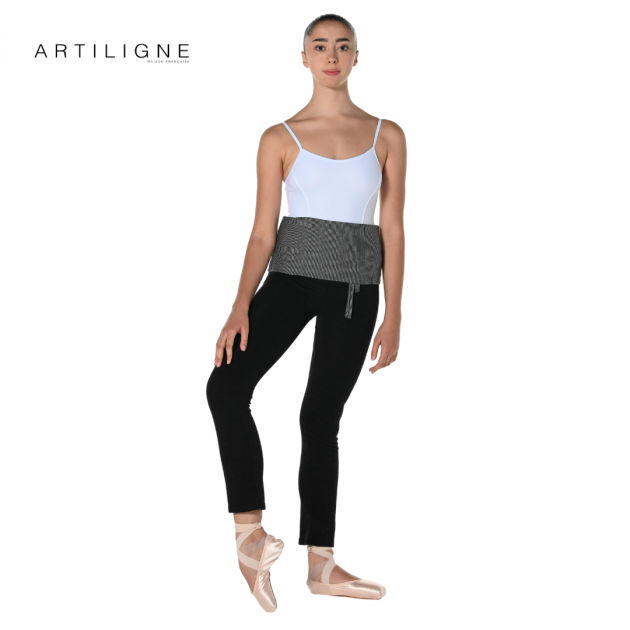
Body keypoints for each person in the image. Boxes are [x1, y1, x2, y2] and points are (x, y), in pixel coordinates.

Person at [206, 13, 406, 612]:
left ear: (356, 56)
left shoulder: (387, 134)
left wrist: (394, 313)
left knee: (320, 419)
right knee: (225, 387)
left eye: (342, 46)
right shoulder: (279, 137)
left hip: (354, 287)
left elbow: (392, 229)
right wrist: (240, 305)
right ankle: (249, 538)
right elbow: (262, 233)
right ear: (304, 57)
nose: (331, 56)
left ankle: (321, 564)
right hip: (290, 279)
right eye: (320, 46)